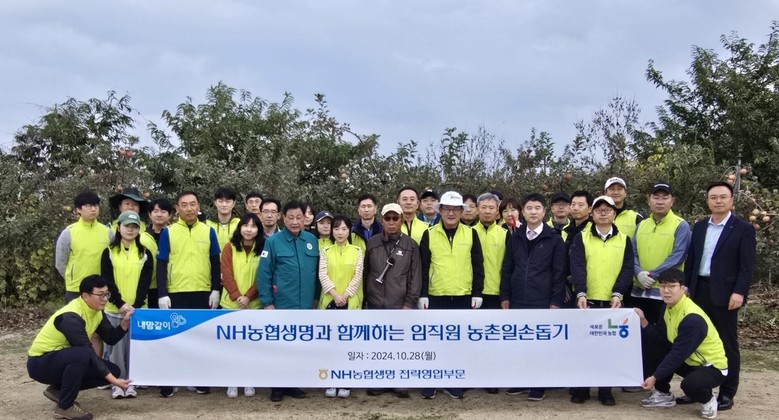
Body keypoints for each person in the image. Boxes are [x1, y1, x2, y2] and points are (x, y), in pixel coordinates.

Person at [683, 181, 755, 411]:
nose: (718, 201)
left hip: (725, 294)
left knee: (727, 344)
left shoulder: (743, 228)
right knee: (697, 341)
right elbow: (692, 260)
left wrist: (739, 292)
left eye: (723, 197)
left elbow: (747, 266)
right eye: (713, 197)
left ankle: (727, 393)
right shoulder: (700, 227)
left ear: (731, 200)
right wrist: (686, 286)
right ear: (707, 201)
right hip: (699, 291)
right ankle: (699, 389)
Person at [27, 275, 132, 420]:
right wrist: (114, 381)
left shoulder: (96, 310)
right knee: (82, 354)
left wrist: (124, 325)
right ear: (86, 296)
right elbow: (87, 351)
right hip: (40, 364)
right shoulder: (71, 316)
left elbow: (110, 338)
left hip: (63, 358)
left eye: (107, 294)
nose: (105, 299)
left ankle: (58, 390)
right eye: (100, 295)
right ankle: (65, 407)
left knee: (113, 370)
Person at [418, 191, 484, 400]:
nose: (451, 213)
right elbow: (423, 266)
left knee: (458, 342)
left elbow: (478, 265)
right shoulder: (429, 233)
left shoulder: (471, 233)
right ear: (441, 211)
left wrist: (477, 293)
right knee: (433, 341)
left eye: (455, 209)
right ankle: (431, 381)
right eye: (447, 209)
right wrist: (423, 294)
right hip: (436, 295)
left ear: (461, 212)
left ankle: (453, 381)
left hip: (463, 296)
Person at [500, 193, 567, 401]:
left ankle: (538, 384)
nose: (533, 212)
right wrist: (505, 295)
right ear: (523, 212)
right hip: (518, 298)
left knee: (540, 344)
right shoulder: (515, 237)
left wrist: (555, 300)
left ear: (544, 212)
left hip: (542, 299)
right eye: (529, 208)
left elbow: (559, 273)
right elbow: (507, 268)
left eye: (537, 208)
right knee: (519, 342)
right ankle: (521, 381)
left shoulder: (554, 238)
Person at [569, 195, 634, 406]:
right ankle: (582, 388)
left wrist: (618, 293)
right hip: (586, 301)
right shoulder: (582, 237)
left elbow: (627, 269)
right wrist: (581, 292)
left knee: (609, 348)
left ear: (615, 214)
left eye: (608, 210)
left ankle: (605, 390)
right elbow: (577, 267)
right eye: (599, 209)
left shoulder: (624, 239)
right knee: (583, 347)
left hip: (612, 303)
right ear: (592, 213)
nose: (603, 213)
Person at [637, 269, 728, 420]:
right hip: (689, 361)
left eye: (672, 286)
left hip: (711, 367)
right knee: (653, 346)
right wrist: (643, 320)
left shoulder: (692, 318)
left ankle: (708, 400)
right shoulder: (667, 308)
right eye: (662, 286)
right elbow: (660, 338)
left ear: (682, 288)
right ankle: (663, 394)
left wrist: (654, 377)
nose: (666, 291)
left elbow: (678, 354)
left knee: (690, 385)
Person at [156, 191, 221, 397]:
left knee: (201, 338)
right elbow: (161, 264)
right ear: (177, 208)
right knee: (174, 338)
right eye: (184, 205)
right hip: (176, 292)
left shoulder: (209, 231)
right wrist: (162, 293)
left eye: (193, 204)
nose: (189, 208)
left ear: (199, 206)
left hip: (203, 292)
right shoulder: (168, 232)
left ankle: (199, 378)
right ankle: (171, 379)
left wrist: (216, 290)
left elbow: (215, 263)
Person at [257, 200, 320, 402]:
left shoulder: (312, 240)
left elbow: (317, 272)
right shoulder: (273, 242)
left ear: (305, 218)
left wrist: (316, 298)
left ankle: (293, 383)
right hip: (282, 304)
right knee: (280, 347)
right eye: (290, 218)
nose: (295, 222)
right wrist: (267, 302)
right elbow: (264, 273)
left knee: (299, 347)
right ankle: (277, 386)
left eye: (299, 217)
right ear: (283, 218)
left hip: (306, 305)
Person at [363, 203, 422, 399]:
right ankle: (379, 380)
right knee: (378, 346)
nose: (391, 222)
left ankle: (399, 381)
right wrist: (366, 300)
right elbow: (366, 273)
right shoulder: (372, 243)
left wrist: (409, 303)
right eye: (387, 218)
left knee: (400, 346)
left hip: (400, 305)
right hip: (376, 303)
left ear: (401, 220)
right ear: (382, 221)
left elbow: (415, 276)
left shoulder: (411, 245)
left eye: (395, 218)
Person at [101, 211, 152, 399]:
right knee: (116, 349)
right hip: (115, 310)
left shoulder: (145, 253)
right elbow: (107, 280)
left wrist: (135, 306)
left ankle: (131, 383)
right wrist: (120, 304)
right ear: (119, 227)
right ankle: (117, 384)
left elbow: (145, 283)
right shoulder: (109, 252)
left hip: (137, 311)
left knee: (134, 349)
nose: (130, 230)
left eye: (134, 227)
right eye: (127, 226)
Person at [630, 182, 691, 323]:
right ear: (648, 200)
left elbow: (678, 255)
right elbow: (632, 253)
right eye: (656, 197)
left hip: (666, 292)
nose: (660, 201)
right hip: (639, 291)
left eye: (665, 197)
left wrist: (653, 275)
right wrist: (638, 273)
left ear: (672, 201)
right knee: (641, 331)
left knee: (663, 332)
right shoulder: (641, 225)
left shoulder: (680, 225)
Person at [319, 215, 364, 399]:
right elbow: (322, 274)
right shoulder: (325, 251)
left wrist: (345, 296)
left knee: (348, 345)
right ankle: (329, 381)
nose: (340, 232)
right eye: (336, 229)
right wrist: (336, 295)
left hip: (351, 303)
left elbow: (358, 276)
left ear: (349, 231)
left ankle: (346, 381)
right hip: (329, 302)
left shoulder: (357, 251)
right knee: (329, 345)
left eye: (344, 229)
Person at [220, 213, 264, 399]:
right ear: (240, 228)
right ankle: (232, 380)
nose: (249, 229)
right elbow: (226, 274)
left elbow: (263, 275)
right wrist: (238, 296)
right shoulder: (229, 247)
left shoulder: (264, 248)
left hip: (253, 305)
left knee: (250, 347)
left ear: (258, 230)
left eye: (253, 226)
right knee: (231, 346)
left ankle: (249, 380)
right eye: (245, 225)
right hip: (230, 305)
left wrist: (248, 297)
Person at [55, 191, 112, 303]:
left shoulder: (107, 232)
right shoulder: (69, 233)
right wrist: (72, 277)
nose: (93, 209)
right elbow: (60, 263)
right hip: (76, 289)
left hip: (100, 289)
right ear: (78, 209)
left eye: (96, 205)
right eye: (88, 206)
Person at [473, 192, 508, 312]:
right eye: (483, 207)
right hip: (472, 292)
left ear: (497, 211)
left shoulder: (505, 234)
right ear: (477, 210)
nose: (487, 211)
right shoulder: (469, 233)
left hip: (497, 292)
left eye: (491, 208)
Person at [144, 198, 172, 308]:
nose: (159, 215)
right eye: (155, 211)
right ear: (150, 215)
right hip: (148, 287)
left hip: (170, 288)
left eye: (163, 211)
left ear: (169, 215)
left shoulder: (174, 235)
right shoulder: (141, 237)